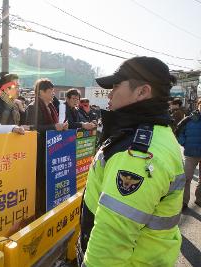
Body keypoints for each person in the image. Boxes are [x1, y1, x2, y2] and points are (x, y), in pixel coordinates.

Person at [77, 57, 184, 266]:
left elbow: (112, 239)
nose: (109, 93)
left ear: (142, 92)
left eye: (116, 86)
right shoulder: (154, 132)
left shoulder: (137, 154)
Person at [26, 78, 68, 217]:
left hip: (51, 150)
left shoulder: (51, 107)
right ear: (41, 92)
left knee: (48, 179)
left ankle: (47, 205)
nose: (53, 94)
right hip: (39, 151)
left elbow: (52, 126)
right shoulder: (33, 107)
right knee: (40, 181)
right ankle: (39, 210)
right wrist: (53, 127)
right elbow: (32, 128)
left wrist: (60, 128)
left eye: (53, 91)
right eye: (50, 91)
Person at [176, 98, 201, 209]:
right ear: (198, 105)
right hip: (191, 154)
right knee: (186, 178)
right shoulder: (189, 120)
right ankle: (184, 202)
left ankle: (199, 199)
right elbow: (178, 132)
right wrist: (184, 143)